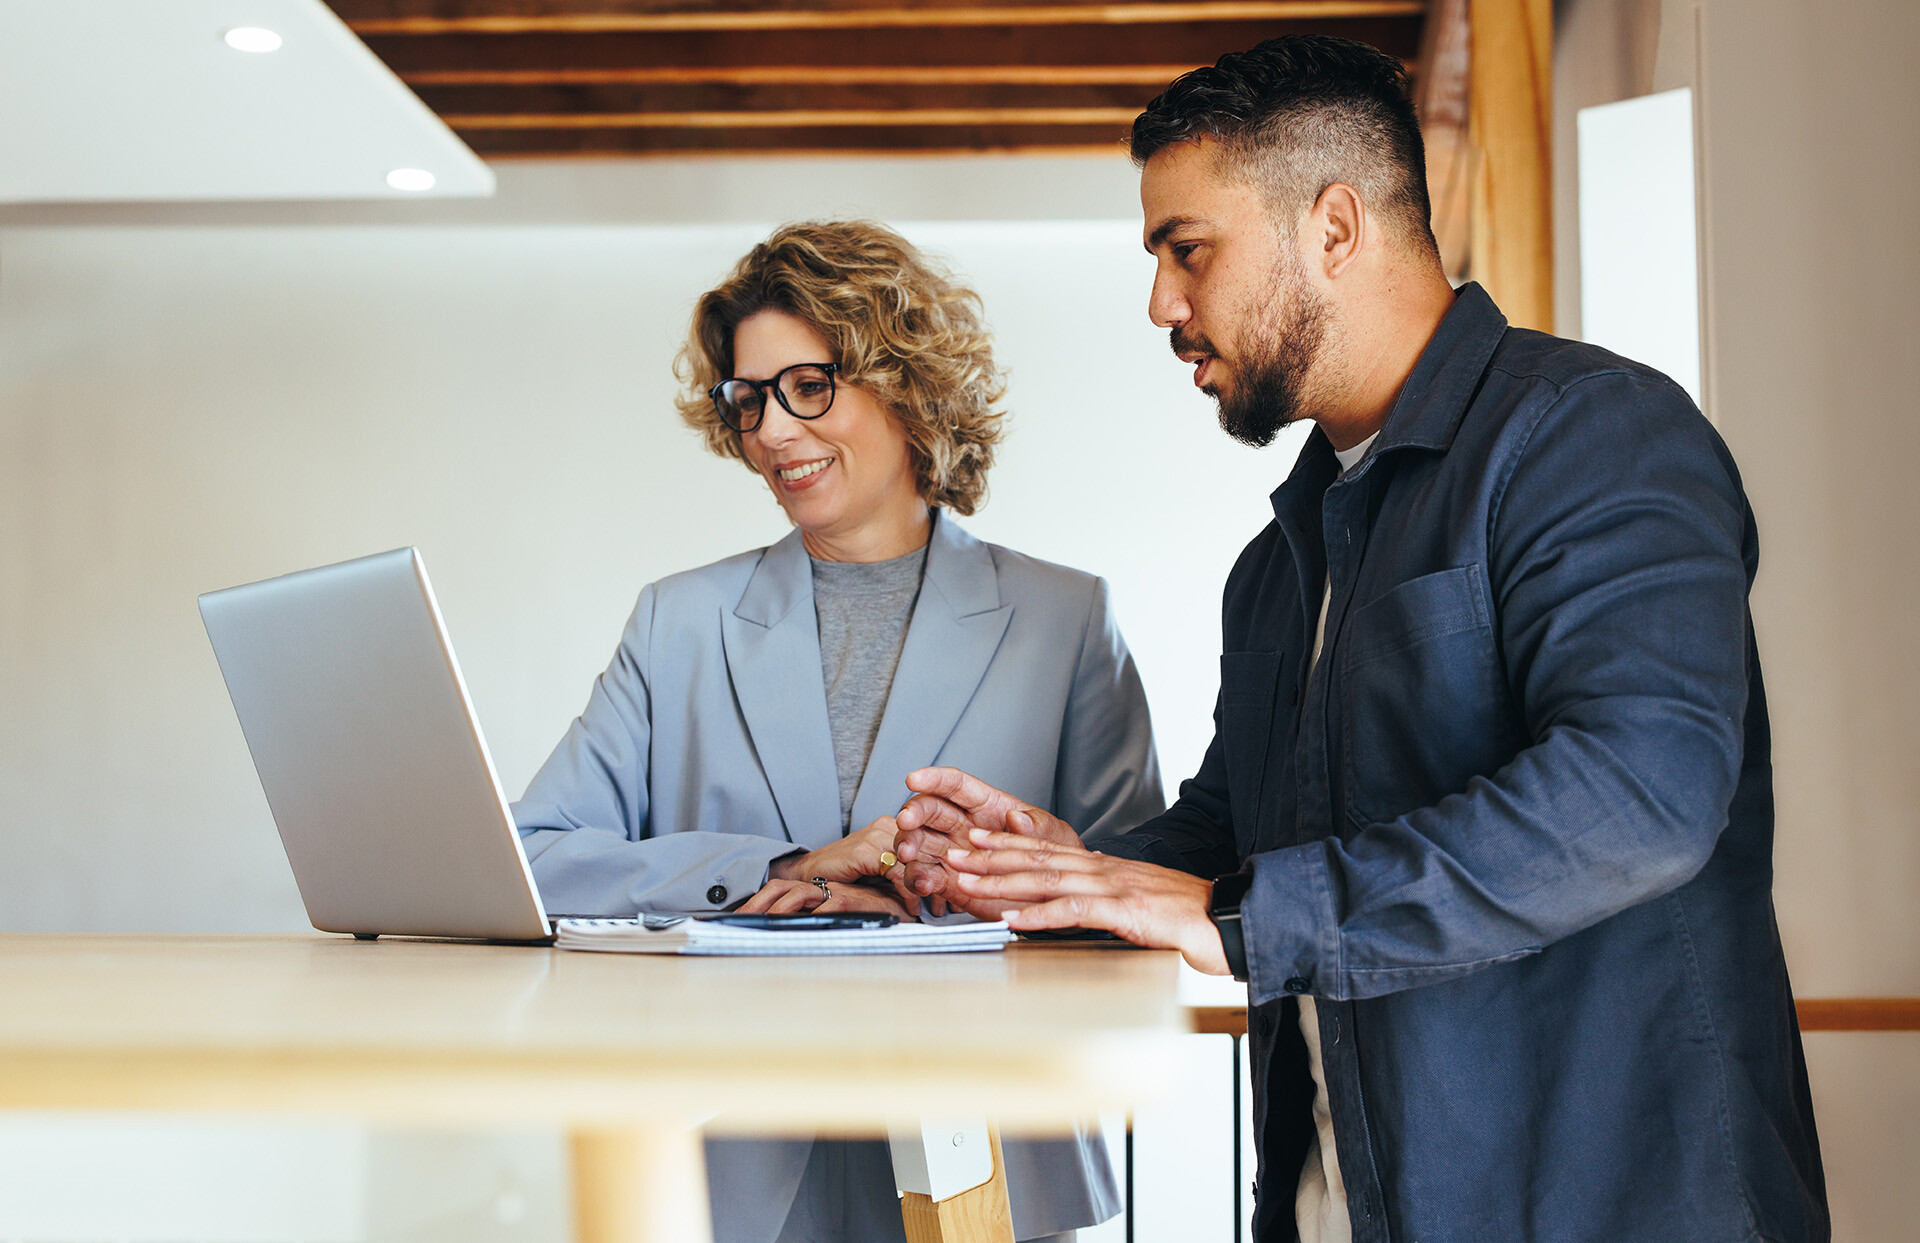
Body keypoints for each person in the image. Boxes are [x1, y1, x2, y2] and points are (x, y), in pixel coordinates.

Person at [892, 35, 1828, 1243]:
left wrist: (1240, 918)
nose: (1162, 304)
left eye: (1188, 250)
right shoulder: (1275, 565)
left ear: (1334, 227)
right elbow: (1233, 836)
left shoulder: (1598, 438)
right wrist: (1050, 880)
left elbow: (1640, 791)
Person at [511, 220, 1160, 1243]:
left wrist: (1016, 878)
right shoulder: (678, 621)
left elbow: (1136, 897)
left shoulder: (1064, 618)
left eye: (809, 386)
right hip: (730, 1143)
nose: (772, 431)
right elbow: (532, 860)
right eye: (750, 399)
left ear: (904, 382)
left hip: (987, 1147)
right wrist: (782, 866)